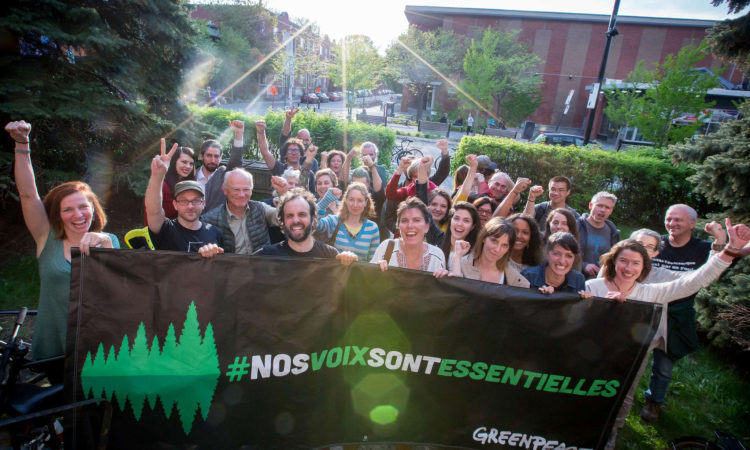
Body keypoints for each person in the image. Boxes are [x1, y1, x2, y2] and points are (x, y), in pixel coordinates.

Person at [585, 221, 749, 449]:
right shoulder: (593, 286)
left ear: (644, 266)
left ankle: (612, 430)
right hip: (592, 355)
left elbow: (694, 281)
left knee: (625, 392)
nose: (628, 268)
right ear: (613, 261)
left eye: (635, 263)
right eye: (623, 261)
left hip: (630, 356)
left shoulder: (650, 293)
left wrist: (729, 250)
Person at [7, 120, 120, 361]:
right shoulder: (46, 238)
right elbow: (28, 194)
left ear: (94, 209)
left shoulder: (109, 241)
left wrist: (106, 244)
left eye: (83, 207)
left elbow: (118, 289)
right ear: (57, 214)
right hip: (55, 342)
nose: (78, 215)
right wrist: (22, 144)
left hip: (97, 345)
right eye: (68, 209)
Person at [640, 204, 728, 422]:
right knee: (633, 357)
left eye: (678, 220)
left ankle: (654, 402)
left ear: (692, 223)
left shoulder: (702, 248)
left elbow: (712, 273)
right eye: (669, 219)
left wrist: (721, 242)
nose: (672, 224)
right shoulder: (655, 243)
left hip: (678, 314)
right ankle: (621, 394)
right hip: (647, 310)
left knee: (664, 365)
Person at [145, 139, 223, 255]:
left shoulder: (215, 233)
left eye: (196, 200)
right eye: (183, 201)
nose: (190, 206)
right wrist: (158, 175)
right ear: (175, 204)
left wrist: (213, 252)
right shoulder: (167, 229)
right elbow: (154, 211)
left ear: (203, 203)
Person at [255, 188, 357, 266]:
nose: (295, 220)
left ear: (313, 220)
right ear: (283, 221)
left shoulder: (330, 255)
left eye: (302, 214)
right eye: (289, 216)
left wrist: (349, 261)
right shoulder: (267, 256)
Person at [201, 169, 278, 255]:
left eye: (246, 189)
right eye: (236, 189)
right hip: (231, 267)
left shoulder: (261, 208)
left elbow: (285, 218)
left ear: (252, 190)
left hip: (262, 266)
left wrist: (285, 193)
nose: (241, 195)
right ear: (225, 190)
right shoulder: (210, 219)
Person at [449, 217, 530, 288]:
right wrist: (457, 257)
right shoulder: (461, 264)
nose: (497, 249)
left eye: (504, 245)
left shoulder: (515, 279)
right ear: (484, 238)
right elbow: (455, 291)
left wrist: (542, 294)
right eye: (494, 241)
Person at [371, 197, 445, 273]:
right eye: (404, 220)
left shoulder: (437, 256)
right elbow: (367, 280)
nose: (410, 225)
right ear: (398, 226)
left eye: (416, 220)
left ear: (426, 227)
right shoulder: (386, 248)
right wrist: (374, 270)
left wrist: (443, 277)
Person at [315, 183, 380, 261]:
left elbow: (373, 261)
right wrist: (325, 201)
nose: (355, 205)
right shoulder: (334, 221)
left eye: (360, 200)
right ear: (346, 200)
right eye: (351, 199)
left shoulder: (372, 228)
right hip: (335, 272)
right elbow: (313, 223)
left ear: (366, 202)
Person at [196, 120, 245, 212]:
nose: (213, 160)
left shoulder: (224, 175)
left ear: (221, 158)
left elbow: (236, 161)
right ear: (201, 156)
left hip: (217, 225)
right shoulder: (192, 176)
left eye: (216, 156)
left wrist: (238, 135)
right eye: (209, 155)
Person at [257, 120, 315, 192]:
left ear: (301, 154)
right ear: (285, 154)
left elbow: (313, 196)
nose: (294, 153)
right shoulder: (279, 168)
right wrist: (261, 133)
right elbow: (265, 152)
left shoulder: (309, 174)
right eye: (290, 150)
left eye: (296, 150)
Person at [521, 232, 586, 294]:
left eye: (569, 256)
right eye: (556, 254)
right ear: (547, 253)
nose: (562, 261)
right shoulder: (528, 277)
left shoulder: (578, 279)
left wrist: (586, 302)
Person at [577, 191, 620, 278]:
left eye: (607, 207)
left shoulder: (613, 232)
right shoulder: (576, 226)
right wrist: (583, 265)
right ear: (590, 206)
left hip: (602, 280)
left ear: (611, 211)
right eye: (599, 205)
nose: (603, 210)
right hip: (577, 277)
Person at [154, 145, 195, 220]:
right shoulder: (163, 186)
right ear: (174, 161)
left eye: (191, 163)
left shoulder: (191, 185)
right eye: (184, 162)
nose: (188, 166)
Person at [278, 106, 319, 174]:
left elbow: (304, 181)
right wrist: (288, 119)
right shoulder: (288, 153)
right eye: (300, 139)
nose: (303, 142)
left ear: (310, 140)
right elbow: (285, 135)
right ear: (296, 139)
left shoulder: (313, 162)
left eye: (306, 140)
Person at [439, 201, 480, 270]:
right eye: (456, 218)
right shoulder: (438, 240)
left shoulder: (475, 255)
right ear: (450, 220)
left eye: (466, 221)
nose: (460, 224)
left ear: (472, 226)